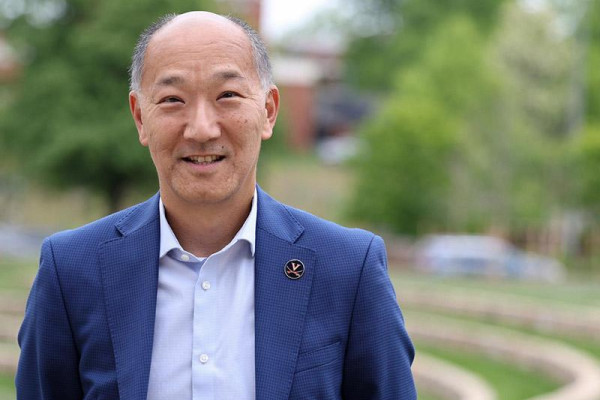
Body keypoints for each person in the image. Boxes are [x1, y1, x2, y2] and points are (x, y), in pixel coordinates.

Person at [16, 11, 416, 400]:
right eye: (173, 99)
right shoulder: (70, 271)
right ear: (140, 118)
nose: (202, 129)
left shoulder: (348, 268)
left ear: (269, 111)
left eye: (227, 95)